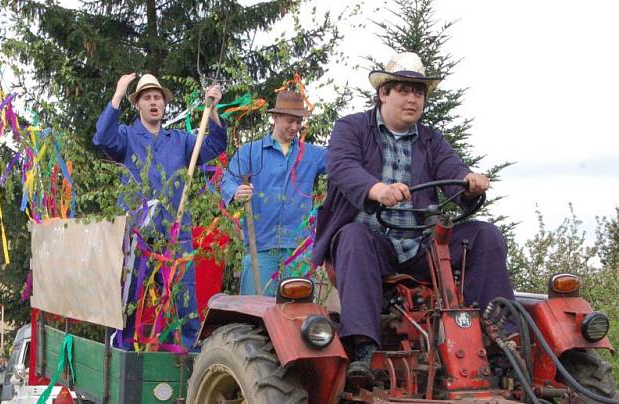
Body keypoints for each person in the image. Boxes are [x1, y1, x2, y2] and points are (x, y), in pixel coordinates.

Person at [312, 53, 515, 378]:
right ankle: (363, 348)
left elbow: (453, 170)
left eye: (418, 92)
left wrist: (470, 183)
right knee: (353, 237)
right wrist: (376, 189)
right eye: (404, 90)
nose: (412, 99)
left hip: (420, 247)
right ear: (383, 93)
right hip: (374, 247)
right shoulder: (351, 128)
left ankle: (498, 338)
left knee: (485, 235)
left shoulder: (431, 140)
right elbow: (342, 168)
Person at [93, 73, 227, 349]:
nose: (154, 102)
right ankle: (122, 356)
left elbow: (214, 145)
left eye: (158, 98)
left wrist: (212, 112)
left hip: (175, 235)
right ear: (138, 104)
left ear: (164, 105)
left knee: (184, 301)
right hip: (136, 237)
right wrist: (118, 93)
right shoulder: (126, 137)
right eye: (147, 98)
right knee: (128, 301)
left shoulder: (180, 141)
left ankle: (189, 359)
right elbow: (102, 137)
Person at [221, 91, 327, 295]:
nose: (295, 127)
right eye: (290, 121)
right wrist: (235, 191)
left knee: (296, 311)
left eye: (299, 122)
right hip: (259, 244)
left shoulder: (312, 154)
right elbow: (229, 179)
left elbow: (343, 163)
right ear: (275, 117)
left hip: (298, 249)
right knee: (254, 308)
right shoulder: (251, 152)